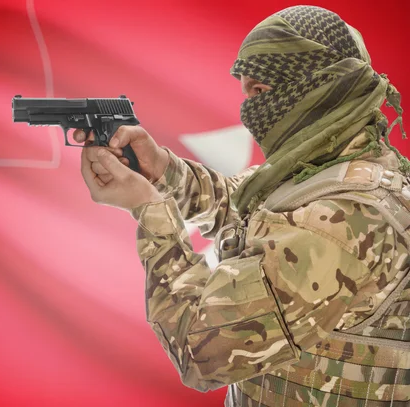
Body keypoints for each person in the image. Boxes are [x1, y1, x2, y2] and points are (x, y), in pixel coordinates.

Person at [75, 5, 410, 407]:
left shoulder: (344, 220)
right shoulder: (322, 169)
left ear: (318, 85)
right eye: (246, 92)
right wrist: (161, 168)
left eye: (260, 92)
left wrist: (150, 210)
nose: (249, 110)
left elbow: (201, 353)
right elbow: (238, 204)